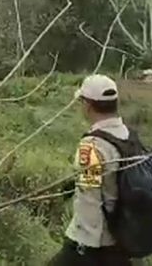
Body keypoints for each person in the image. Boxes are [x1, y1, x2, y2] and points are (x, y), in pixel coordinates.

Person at [49, 74, 133, 266]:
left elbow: (90, 195)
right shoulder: (127, 135)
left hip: (94, 242)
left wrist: (81, 241)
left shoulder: (92, 145)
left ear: (87, 105)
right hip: (122, 234)